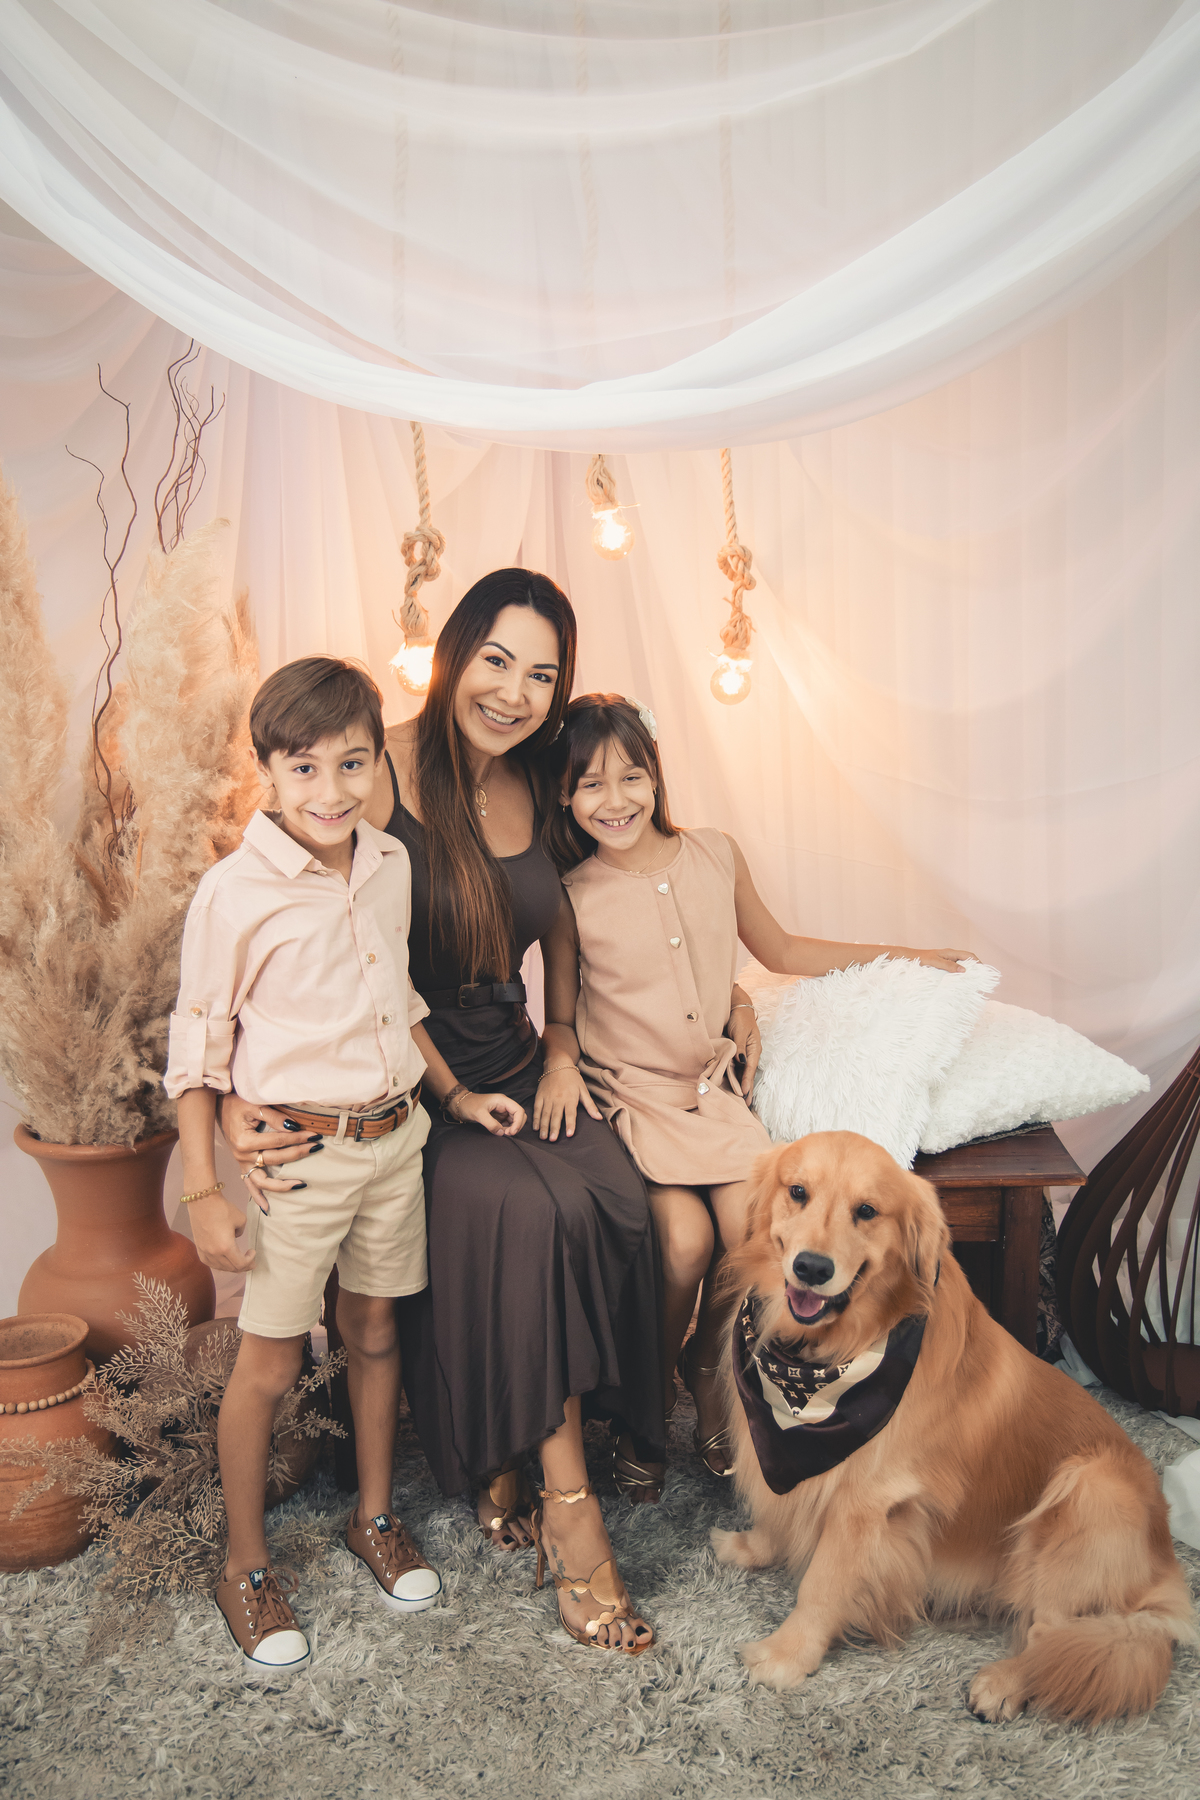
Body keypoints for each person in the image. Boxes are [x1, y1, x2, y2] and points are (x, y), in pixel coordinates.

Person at [221, 576, 661, 1657]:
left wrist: (563, 1045)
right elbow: (272, 935)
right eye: (497, 660)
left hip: (515, 1058)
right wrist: (236, 1095)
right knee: (533, 1216)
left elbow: (563, 919)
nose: (514, 692)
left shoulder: (539, 777)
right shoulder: (371, 768)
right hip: (402, 1081)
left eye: (542, 673)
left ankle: (513, 1442)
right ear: (455, 651)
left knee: (620, 1197)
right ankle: (570, 1513)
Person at [167, 656, 520, 1675]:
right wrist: (205, 1191)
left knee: (373, 1331)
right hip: (300, 1162)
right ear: (267, 771)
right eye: (305, 768)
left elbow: (397, 1000)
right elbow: (198, 1052)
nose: (330, 791)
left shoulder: (389, 862)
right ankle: (244, 1567)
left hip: (393, 1143)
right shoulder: (233, 894)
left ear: (378, 764)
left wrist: (453, 1095)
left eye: (353, 764)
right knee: (271, 1362)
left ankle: (374, 1517)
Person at [539, 693, 976, 1498]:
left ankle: (708, 1378)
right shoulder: (569, 892)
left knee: (751, 1233)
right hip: (636, 1099)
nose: (615, 800)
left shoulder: (715, 854)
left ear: (655, 775)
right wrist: (560, 1064)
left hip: (711, 1095)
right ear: (564, 796)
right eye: (590, 784)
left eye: (631, 776)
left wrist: (907, 955)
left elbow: (781, 947)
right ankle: (645, 1409)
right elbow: (560, 1018)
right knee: (683, 1244)